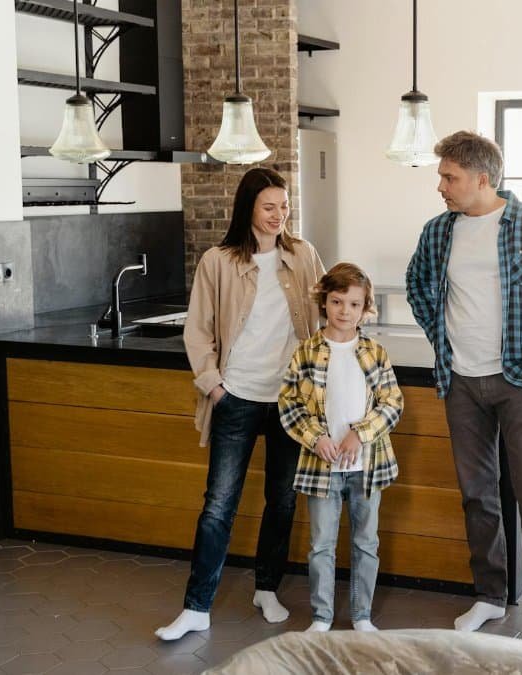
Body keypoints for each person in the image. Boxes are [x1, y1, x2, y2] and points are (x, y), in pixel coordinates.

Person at [405, 131, 522, 644]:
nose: (441, 186)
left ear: (482, 178)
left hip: (518, 383)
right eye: (441, 176)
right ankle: (489, 595)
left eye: (449, 177)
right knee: (478, 496)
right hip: (461, 383)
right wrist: (443, 340)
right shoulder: (439, 232)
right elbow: (417, 284)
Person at [156, 167, 328, 641]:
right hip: (237, 396)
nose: (279, 215)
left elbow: (324, 316)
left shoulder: (304, 255)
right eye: (269, 207)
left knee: (282, 499)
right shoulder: (219, 261)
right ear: (248, 208)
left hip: (289, 401)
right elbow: (198, 329)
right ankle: (196, 607)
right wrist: (213, 385)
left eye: (284, 205)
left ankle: (266, 588)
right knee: (218, 505)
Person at [278, 262, 404, 633]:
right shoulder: (307, 351)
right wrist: (316, 438)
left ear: (365, 309)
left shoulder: (375, 352)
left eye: (353, 304)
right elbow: (289, 403)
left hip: (367, 466)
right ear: (324, 303)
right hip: (322, 467)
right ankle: (321, 616)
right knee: (321, 545)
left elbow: (392, 403)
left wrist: (359, 434)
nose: (344, 311)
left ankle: (361, 615)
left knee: (366, 543)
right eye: (337, 301)